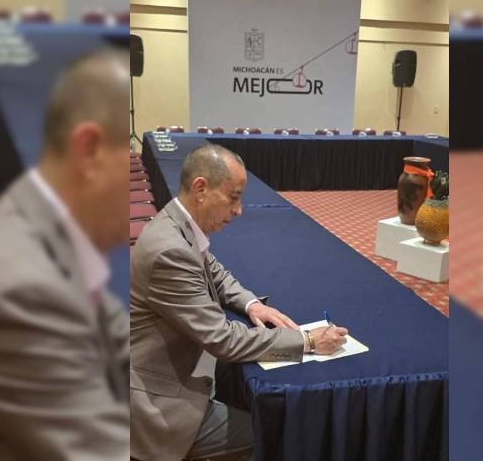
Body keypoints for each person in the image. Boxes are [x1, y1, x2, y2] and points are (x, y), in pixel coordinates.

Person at [0, 49, 130, 460]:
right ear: (89, 150)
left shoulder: (43, 229)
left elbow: (118, 343)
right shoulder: (21, 290)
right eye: (129, 155)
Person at [130, 144, 349, 460]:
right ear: (201, 189)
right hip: (160, 405)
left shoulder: (177, 222)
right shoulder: (169, 251)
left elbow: (214, 272)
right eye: (233, 197)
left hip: (181, 366)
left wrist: (250, 305)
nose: (239, 210)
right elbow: (223, 339)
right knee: (276, 433)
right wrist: (308, 341)